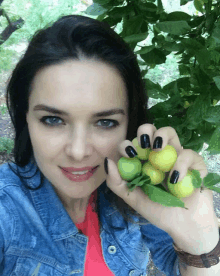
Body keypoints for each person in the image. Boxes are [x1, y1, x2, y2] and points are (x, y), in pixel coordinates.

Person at [0, 14, 219, 276]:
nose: (78, 151)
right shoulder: (6, 211)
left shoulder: (137, 187)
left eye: (104, 122)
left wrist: (200, 245)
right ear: (26, 117)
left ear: (129, 123)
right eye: (52, 119)